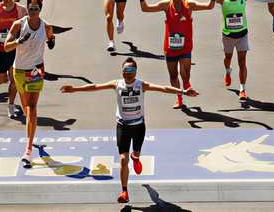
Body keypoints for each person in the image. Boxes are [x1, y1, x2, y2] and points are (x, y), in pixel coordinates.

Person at [60, 58, 195, 204]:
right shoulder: (117, 84)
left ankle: (136, 157)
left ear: (135, 72)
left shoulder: (141, 85)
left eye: (130, 70)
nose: (127, 73)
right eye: (125, 70)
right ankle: (124, 191)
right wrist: (74, 89)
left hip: (138, 127)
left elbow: (163, 88)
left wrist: (182, 91)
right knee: (123, 160)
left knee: (134, 155)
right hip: (123, 127)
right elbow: (95, 86)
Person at [138, 0, 217, 107]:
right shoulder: (166, 5)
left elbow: (209, 6)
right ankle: (179, 98)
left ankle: (186, 84)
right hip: (170, 48)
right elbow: (146, 9)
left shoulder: (189, 5)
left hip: (186, 47)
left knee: (185, 75)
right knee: (173, 75)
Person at [3, 0, 56, 167]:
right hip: (19, 70)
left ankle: (28, 150)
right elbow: (6, 47)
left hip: (36, 69)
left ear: (40, 9)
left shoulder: (46, 26)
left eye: (36, 8)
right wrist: (19, 41)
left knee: (32, 107)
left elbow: (51, 39)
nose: (33, 11)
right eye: (31, 8)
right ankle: (31, 131)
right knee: (27, 109)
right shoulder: (19, 25)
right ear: (27, 8)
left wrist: (51, 42)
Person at [219, 0, 274, 101]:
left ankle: (242, 89)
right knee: (227, 58)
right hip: (228, 36)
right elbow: (208, 6)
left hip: (242, 34)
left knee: (242, 62)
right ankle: (228, 71)